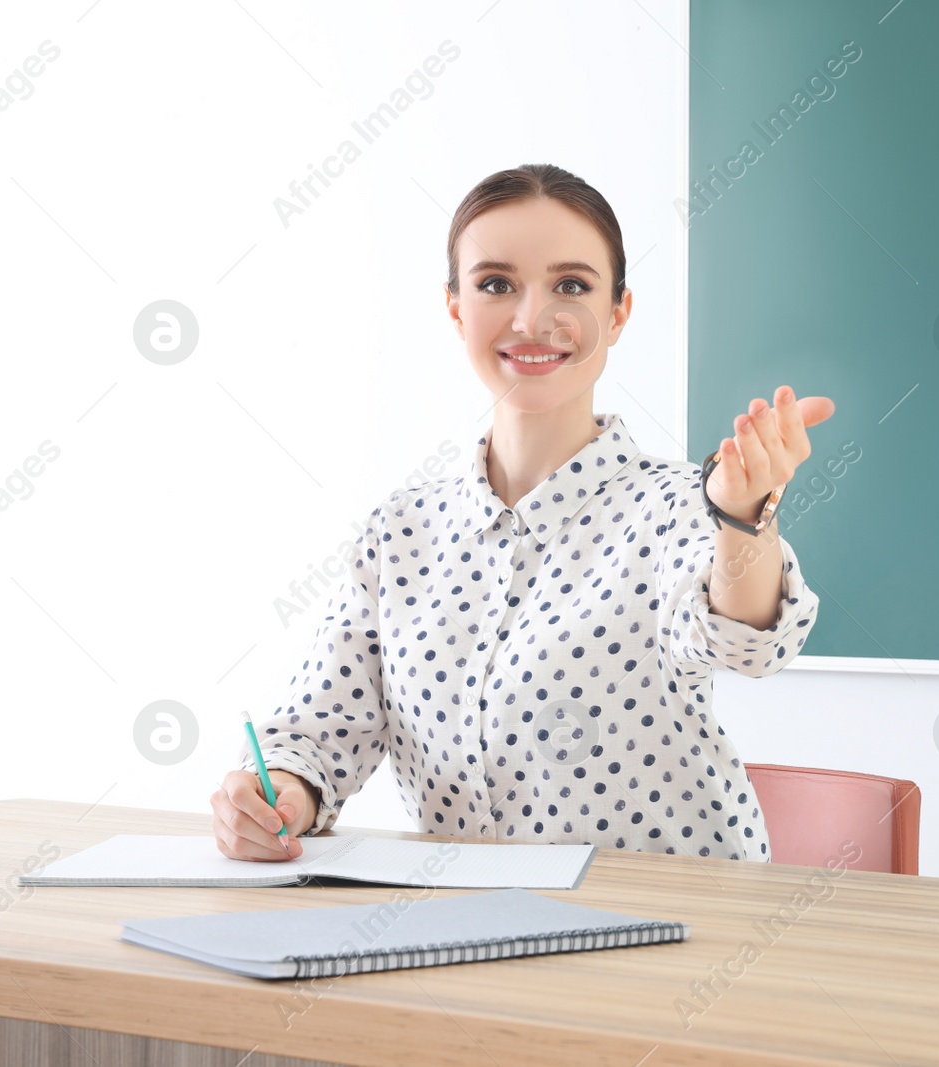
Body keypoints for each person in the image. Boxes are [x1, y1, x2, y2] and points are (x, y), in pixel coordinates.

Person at [210, 163, 834, 863]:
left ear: (618, 312)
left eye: (571, 285)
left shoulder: (680, 506)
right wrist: (282, 796)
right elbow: (321, 729)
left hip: (671, 934)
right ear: (455, 308)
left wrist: (743, 518)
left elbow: (745, 643)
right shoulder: (401, 531)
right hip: (466, 935)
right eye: (495, 284)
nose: (532, 318)